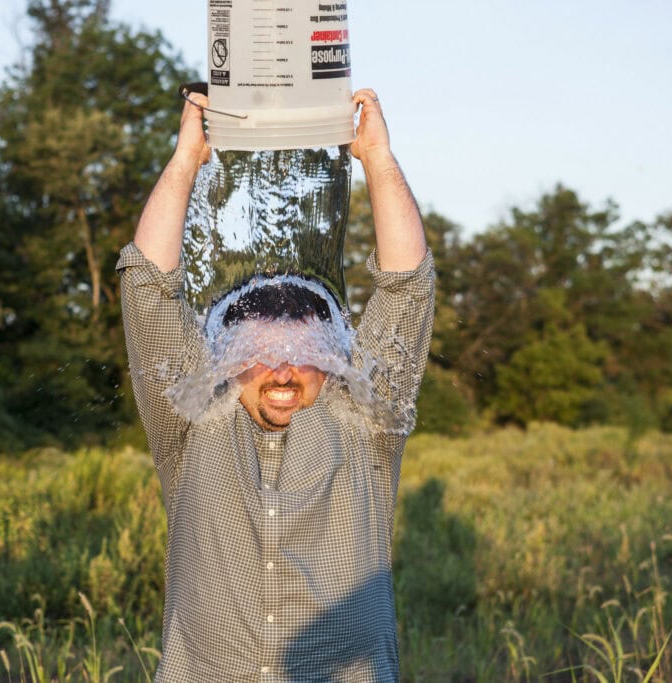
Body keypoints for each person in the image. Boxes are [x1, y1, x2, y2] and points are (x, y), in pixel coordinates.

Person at [116, 88, 435, 682]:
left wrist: (378, 160)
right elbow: (147, 291)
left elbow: (405, 289)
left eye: (302, 353)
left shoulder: (367, 425)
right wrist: (186, 161)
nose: (282, 371)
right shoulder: (189, 425)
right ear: (227, 360)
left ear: (333, 357)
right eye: (260, 354)